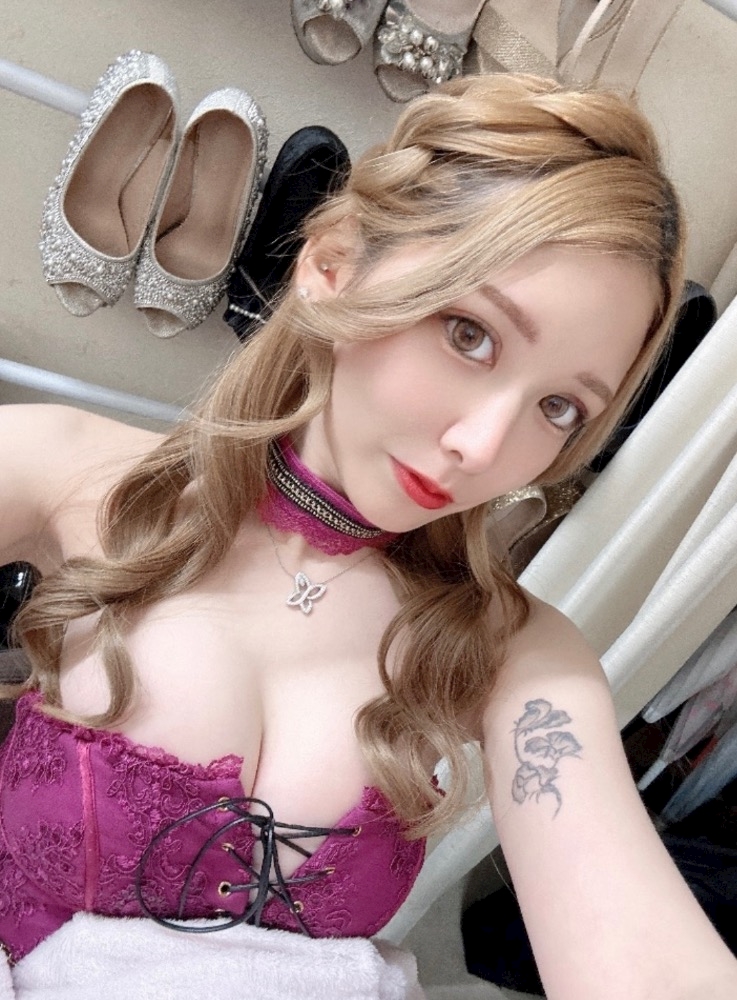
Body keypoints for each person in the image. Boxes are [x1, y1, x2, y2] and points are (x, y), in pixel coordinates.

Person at [1, 72, 736, 999]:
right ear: (333, 263)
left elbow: (642, 954)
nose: (482, 447)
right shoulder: (62, 471)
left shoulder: (517, 656)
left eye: (558, 407)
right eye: (468, 334)